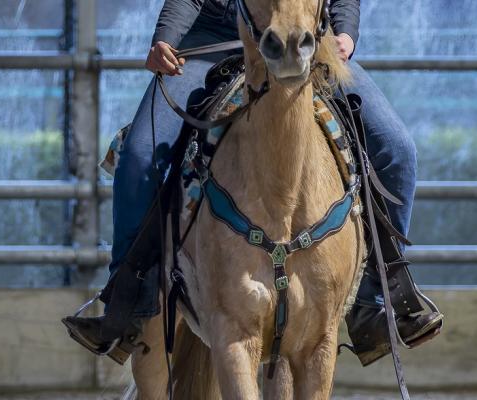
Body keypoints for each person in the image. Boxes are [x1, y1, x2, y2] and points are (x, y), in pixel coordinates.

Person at [63, 0, 443, 367]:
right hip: (209, 47)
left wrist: (345, 33)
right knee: (141, 156)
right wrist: (165, 38)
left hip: (303, 41)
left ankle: (376, 301)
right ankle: (127, 300)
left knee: (397, 150)